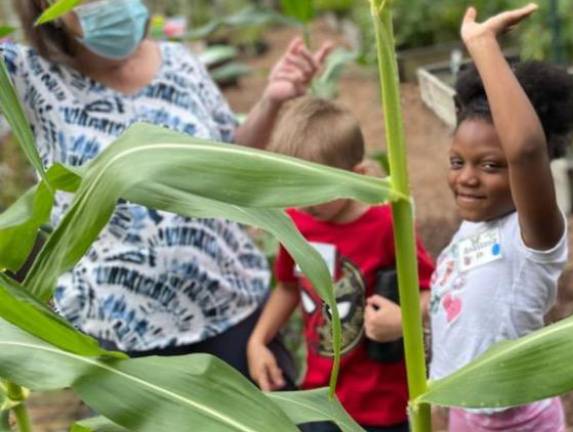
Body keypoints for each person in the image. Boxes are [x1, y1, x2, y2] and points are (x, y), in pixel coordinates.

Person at [2, 0, 331, 384]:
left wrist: (272, 100)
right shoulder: (24, 76)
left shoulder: (178, 61)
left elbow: (231, 160)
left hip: (234, 308)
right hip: (120, 341)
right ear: (46, 6)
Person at [428, 5, 573, 431]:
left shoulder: (532, 236)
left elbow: (526, 149)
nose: (467, 178)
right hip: (465, 412)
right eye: (457, 161)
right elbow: (465, 298)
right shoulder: (473, 226)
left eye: (491, 165)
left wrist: (482, 46)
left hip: (518, 421)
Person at [246, 96, 435, 432]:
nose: (301, 201)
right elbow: (289, 286)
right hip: (320, 398)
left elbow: (433, 293)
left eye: (314, 189)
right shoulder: (295, 222)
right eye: (293, 185)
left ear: (357, 176)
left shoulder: (386, 224)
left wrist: (403, 320)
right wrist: (258, 341)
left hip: (381, 405)